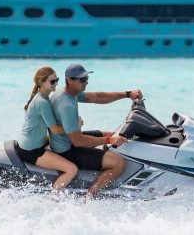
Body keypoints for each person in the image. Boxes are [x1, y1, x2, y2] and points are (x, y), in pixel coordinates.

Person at [49, 63, 143, 198]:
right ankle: (91, 197)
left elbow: (97, 97)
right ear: (70, 80)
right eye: (82, 80)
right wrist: (109, 140)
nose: (86, 82)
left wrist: (127, 94)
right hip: (67, 149)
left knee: (114, 133)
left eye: (86, 78)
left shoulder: (69, 92)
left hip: (68, 139)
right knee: (118, 163)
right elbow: (78, 141)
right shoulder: (66, 105)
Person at [17, 67, 79, 192]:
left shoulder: (44, 98)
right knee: (72, 169)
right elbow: (55, 130)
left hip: (32, 142)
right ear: (41, 83)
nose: (56, 83)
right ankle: (53, 199)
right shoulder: (42, 102)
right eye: (52, 81)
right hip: (31, 150)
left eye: (57, 80)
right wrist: (75, 125)